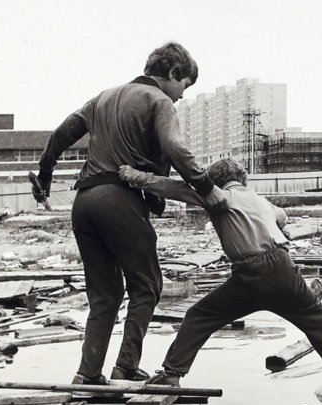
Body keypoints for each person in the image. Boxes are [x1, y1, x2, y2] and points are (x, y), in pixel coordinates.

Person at [34, 42, 226, 385]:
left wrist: (45, 174)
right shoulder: (159, 101)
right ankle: (125, 367)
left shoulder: (101, 98)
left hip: (84, 202)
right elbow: (174, 148)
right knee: (147, 286)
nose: (182, 96)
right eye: (184, 86)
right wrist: (206, 186)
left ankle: (88, 374)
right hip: (119, 200)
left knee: (104, 295)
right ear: (172, 74)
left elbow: (62, 133)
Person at [118, 158, 322, 386]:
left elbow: (173, 189)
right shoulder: (260, 200)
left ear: (214, 182)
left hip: (251, 273)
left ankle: (172, 373)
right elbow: (282, 217)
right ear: (242, 178)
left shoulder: (219, 196)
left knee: (199, 317)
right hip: (285, 267)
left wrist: (136, 177)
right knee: (314, 316)